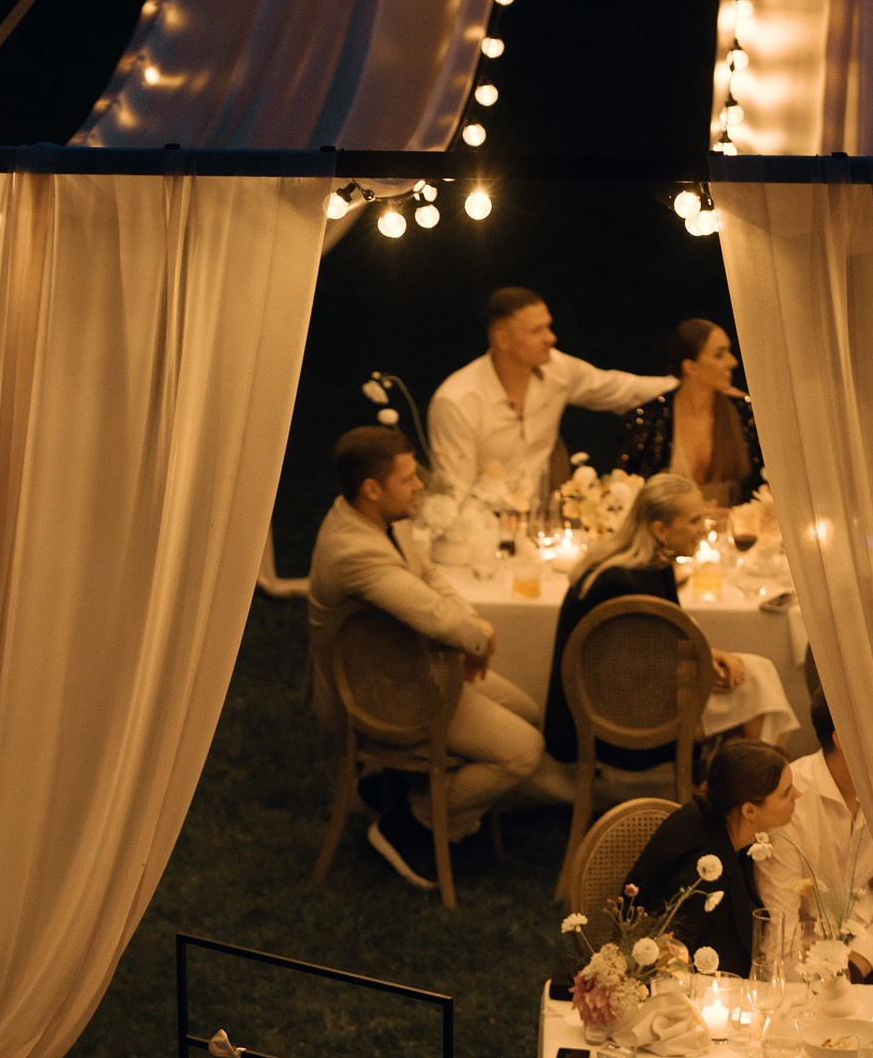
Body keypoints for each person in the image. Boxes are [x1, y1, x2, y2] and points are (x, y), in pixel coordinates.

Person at [307, 427, 568, 889]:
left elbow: (429, 577)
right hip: (378, 694)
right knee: (523, 752)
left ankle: (400, 789)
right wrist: (476, 637)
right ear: (372, 489)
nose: (419, 487)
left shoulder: (382, 518)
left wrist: (474, 625)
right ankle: (412, 823)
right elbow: (433, 617)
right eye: (407, 478)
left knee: (527, 712)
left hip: (406, 666)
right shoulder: (355, 552)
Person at [543, 472, 797, 781]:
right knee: (755, 684)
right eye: (694, 521)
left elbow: (654, 651)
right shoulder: (621, 585)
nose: (703, 529)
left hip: (625, 705)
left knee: (755, 674)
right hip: (616, 726)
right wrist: (703, 669)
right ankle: (757, 790)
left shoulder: (643, 566)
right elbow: (634, 677)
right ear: (660, 530)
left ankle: (742, 788)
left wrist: (708, 656)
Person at [427, 287, 677, 500]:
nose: (551, 338)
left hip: (541, 523)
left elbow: (619, 388)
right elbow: (455, 496)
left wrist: (682, 383)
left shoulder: (557, 370)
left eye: (548, 326)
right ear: (502, 340)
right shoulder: (457, 401)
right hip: (480, 530)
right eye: (536, 331)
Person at [758, 692, 873, 979]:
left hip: (871, 954)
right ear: (843, 740)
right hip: (802, 960)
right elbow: (780, 915)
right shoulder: (789, 798)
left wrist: (862, 957)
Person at [627, 740, 797, 976]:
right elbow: (672, 966)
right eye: (786, 793)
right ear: (749, 810)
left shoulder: (726, 826)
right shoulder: (704, 871)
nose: (798, 795)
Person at [616, 320, 764, 507]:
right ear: (690, 367)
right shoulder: (649, 421)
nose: (733, 362)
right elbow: (627, 496)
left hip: (739, 524)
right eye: (719, 355)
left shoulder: (743, 413)